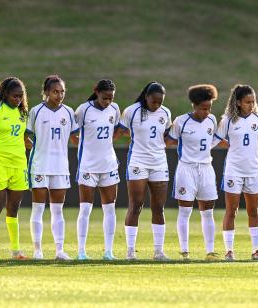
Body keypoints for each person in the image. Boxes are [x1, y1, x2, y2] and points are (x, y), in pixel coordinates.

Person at [216, 84, 258, 261]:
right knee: (231, 210)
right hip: (233, 170)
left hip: (254, 170)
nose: (251, 104)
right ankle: (229, 251)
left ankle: (256, 251)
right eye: (247, 102)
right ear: (238, 102)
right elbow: (217, 139)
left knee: (253, 211)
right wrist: (230, 145)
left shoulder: (257, 118)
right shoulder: (228, 120)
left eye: (253, 101)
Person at [117, 81, 171, 260]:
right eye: (154, 101)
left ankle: (159, 251)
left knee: (158, 207)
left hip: (159, 163)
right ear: (146, 97)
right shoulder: (132, 111)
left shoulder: (166, 113)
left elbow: (166, 135)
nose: (157, 105)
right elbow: (121, 131)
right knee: (136, 205)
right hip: (138, 161)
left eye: (160, 102)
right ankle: (130, 251)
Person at [165, 84, 220, 261]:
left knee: (208, 211)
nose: (206, 111)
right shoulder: (181, 121)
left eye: (209, 107)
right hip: (186, 168)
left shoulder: (212, 120)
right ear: (194, 106)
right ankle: (185, 251)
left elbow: (212, 142)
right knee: (185, 211)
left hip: (206, 168)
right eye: (203, 108)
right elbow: (169, 142)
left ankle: (210, 251)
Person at [27, 75, 78, 260]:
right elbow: (26, 136)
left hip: (61, 167)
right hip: (40, 166)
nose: (59, 95)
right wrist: (38, 149)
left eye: (62, 91)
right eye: (55, 91)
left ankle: (59, 251)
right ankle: (37, 250)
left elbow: (74, 138)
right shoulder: (36, 111)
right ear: (46, 92)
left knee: (58, 210)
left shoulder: (69, 112)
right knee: (38, 209)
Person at [0, 77, 30, 260]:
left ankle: (16, 251)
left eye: (21, 96)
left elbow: (23, 138)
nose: (18, 99)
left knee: (14, 208)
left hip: (19, 164)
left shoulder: (23, 113)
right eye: (15, 96)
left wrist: (33, 145)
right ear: (5, 93)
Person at [74, 79, 121, 260]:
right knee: (85, 209)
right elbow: (72, 134)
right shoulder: (83, 109)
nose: (107, 101)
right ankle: (81, 252)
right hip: (88, 166)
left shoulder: (114, 109)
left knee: (110, 208)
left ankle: (109, 251)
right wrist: (85, 150)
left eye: (110, 98)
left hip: (108, 166)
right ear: (96, 92)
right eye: (104, 97)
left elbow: (115, 131)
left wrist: (106, 149)